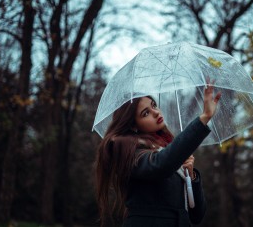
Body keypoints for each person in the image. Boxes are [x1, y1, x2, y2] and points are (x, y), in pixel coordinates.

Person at [95, 81, 221, 227]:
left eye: (153, 105)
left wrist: (190, 175)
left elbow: (197, 215)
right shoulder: (127, 150)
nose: (156, 112)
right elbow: (160, 165)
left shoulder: (167, 150)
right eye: (146, 113)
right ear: (133, 125)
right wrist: (204, 117)